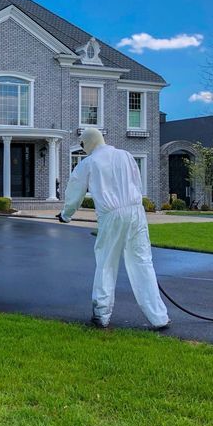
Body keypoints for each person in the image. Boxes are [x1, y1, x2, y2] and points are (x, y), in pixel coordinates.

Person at [57, 128, 170, 330]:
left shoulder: (89, 163)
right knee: (143, 262)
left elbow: (75, 191)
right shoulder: (125, 156)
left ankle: (101, 314)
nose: (83, 150)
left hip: (112, 215)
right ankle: (159, 317)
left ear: (88, 142)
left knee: (106, 262)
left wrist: (66, 215)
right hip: (136, 212)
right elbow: (136, 182)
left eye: (82, 145)